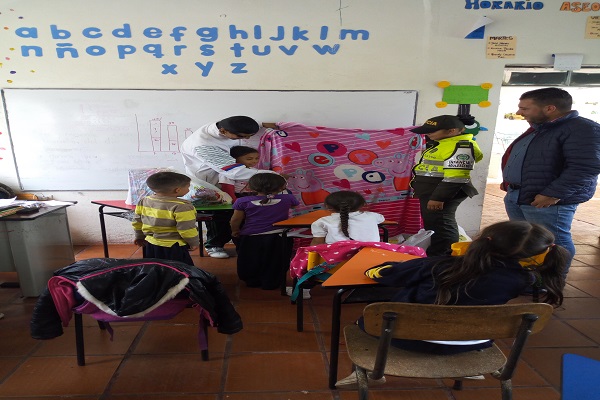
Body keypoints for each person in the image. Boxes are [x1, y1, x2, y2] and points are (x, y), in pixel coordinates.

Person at [336, 220, 567, 387]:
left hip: (406, 338)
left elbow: (385, 273)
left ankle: (370, 372)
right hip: (471, 342)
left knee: (367, 320)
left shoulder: (439, 265)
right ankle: (468, 369)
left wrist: (377, 269)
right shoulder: (523, 280)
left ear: (483, 242)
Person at [501, 87, 600, 278]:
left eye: (525, 108)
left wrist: (553, 194)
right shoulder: (542, 128)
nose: (519, 112)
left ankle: (551, 283)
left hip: (547, 200)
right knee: (525, 241)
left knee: (554, 242)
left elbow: (585, 167)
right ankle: (529, 280)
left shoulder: (583, 129)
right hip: (520, 194)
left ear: (550, 108)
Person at [181, 116, 274, 259]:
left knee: (239, 219)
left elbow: (239, 126)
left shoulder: (222, 127)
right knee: (220, 218)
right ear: (223, 131)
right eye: (242, 136)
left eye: (250, 135)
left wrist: (263, 125)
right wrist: (272, 175)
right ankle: (213, 245)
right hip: (209, 183)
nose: (247, 138)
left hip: (227, 180)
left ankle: (242, 245)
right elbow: (233, 172)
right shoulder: (204, 145)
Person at [409, 115, 483, 257]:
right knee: (434, 225)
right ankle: (437, 254)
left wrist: (439, 198)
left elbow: (457, 177)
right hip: (433, 191)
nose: (427, 134)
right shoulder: (443, 143)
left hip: (442, 193)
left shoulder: (461, 147)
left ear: (452, 131)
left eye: (432, 131)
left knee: (442, 225)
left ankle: (444, 257)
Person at [230, 173, 299, 289]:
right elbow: (294, 206)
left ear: (250, 187)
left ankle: (252, 281)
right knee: (276, 261)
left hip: (251, 237)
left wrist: (235, 230)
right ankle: (271, 282)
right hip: (279, 237)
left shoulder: (242, 201)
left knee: (250, 260)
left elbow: (235, 220)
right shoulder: (288, 198)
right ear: (282, 187)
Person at [132, 171, 199, 265]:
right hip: (173, 246)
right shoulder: (182, 206)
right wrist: (193, 242)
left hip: (150, 244)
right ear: (177, 190)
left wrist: (139, 236)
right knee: (178, 269)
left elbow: (137, 221)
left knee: (155, 268)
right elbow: (186, 228)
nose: (188, 189)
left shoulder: (144, 201)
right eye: (188, 187)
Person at [310, 191, 385, 246]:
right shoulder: (373, 216)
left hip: (337, 258)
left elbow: (317, 243)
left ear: (328, 207)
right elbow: (381, 219)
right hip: (371, 255)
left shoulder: (322, 222)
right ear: (362, 205)